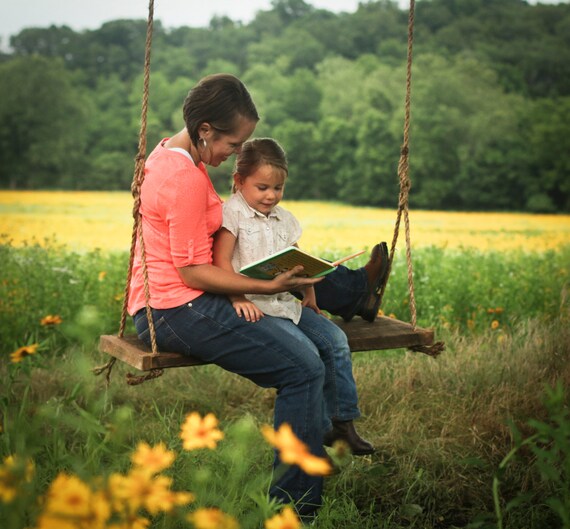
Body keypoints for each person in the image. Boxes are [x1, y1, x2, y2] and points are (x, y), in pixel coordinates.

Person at [127, 73, 388, 518]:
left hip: (175, 298)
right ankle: (293, 510)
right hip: (175, 308)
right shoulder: (186, 179)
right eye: (233, 144)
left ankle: (301, 481)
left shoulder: (168, 153)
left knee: (308, 348)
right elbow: (192, 271)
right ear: (204, 131)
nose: (234, 155)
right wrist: (265, 286)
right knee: (303, 368)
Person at [213, 137, 377, 458]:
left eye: (278, 188)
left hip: (286, 305)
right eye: (262, 188)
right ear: (239, 181)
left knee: (335, 342)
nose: (271, 195)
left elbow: (297, 259)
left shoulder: (284, 218)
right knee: (308, 358)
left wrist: (311, 294)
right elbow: (221, 262)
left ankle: (342, 424)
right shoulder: (231, 215)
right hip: (254, 307)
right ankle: (313, 440)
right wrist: (237, 297)